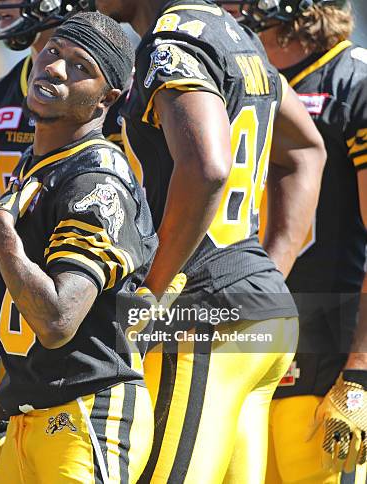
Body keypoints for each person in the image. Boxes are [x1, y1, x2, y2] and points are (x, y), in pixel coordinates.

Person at [95, 0, 327, 482]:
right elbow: (306, 148)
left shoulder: (171, 41)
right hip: (253, 308)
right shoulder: (238, 36)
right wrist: (266, 269)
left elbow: (207, 167)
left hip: (201, 311)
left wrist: (151, 293)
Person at [0, 1, 127, 482]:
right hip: (23, 374)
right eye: (53, 55)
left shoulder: (127, 108)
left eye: (79, 65)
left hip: (94, 375)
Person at [0, 11, 163, 483]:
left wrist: (3, 236)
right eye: (54, 53)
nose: (55, 68)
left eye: (81, 67)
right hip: (30, 413)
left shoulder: (96, 178)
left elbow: (58, 319)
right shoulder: (42, 162)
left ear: (108, 98)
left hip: (85, 412)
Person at [220, 1, 367, 482]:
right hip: (246, 353)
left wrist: (360, 370)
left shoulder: (352, 82)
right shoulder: (236, 73)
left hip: (327, 359)